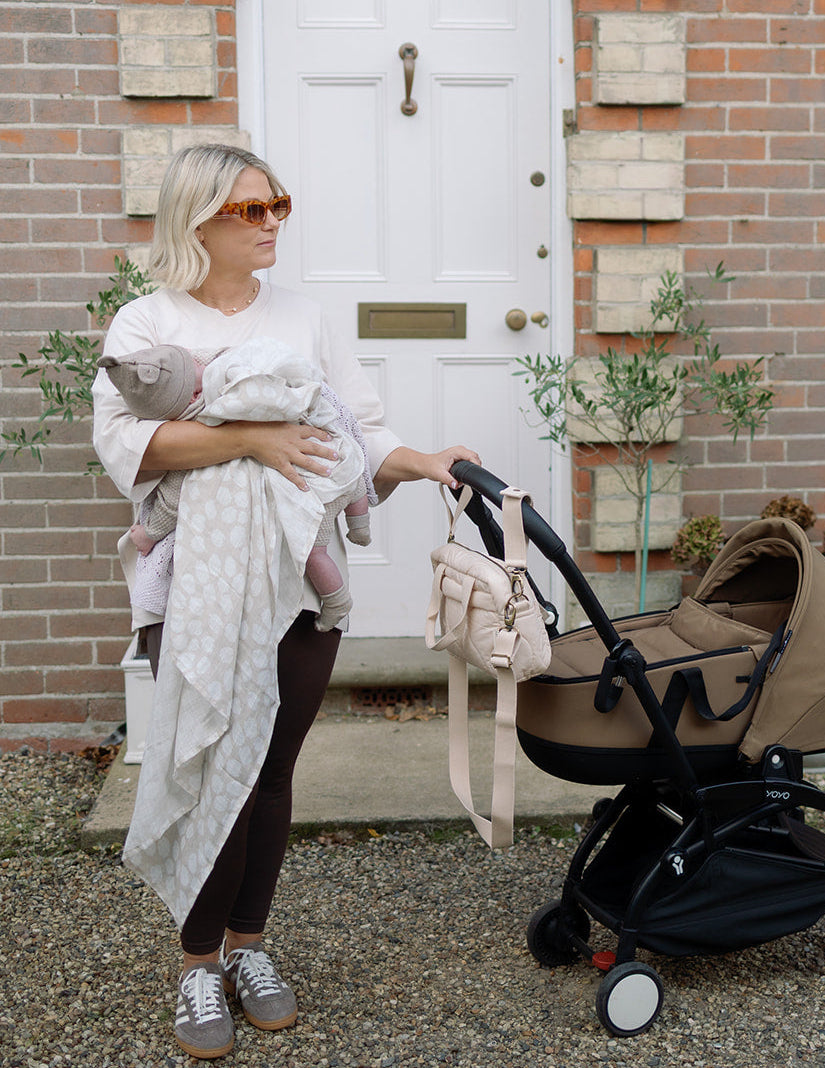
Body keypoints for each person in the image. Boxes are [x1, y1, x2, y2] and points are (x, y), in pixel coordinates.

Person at [92, 142, 479, 1061]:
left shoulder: (305, 318)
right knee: (208, 763)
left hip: (300, 583)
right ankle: (197, 963)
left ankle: (248, 947)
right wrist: (252, 440)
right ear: (197, 219)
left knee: (270, 770)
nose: (272, 223)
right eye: (251, 210)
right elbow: (128, 448)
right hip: (196, 588)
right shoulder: (146, 322)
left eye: (279, 206)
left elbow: (357, 431)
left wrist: (423, 461)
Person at [100, 338, 375, 632]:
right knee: (350, 477)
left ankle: (336, 602)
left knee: (314, 554)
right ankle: (360, 526)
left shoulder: (206, 424)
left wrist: (149, 533)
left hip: (314, 484)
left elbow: (172, 497)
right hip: (339, 454)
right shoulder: (236, 365)